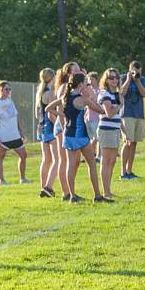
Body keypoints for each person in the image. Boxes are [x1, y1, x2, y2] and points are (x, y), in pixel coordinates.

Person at [46, 73, 112, 203]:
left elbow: (48, 108)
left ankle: (72, 196)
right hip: (80, 136)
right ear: (80, 84)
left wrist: (63, 115)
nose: (87, 85)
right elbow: (101, 111)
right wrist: (92, 98)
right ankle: (97, 196)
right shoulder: (83, 99)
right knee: (92, 164)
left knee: (70, 165)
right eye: (85, 83)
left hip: (68, 135)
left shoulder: (65, 97)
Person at [52, 62, 82, 200]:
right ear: (68, 73)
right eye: (76, 70)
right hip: (64, 127)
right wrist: (65, 128)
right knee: (64, 161)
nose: (79, 71)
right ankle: (66, 193)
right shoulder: (64, 87)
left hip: (73, 127)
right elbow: (60, 110)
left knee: (75, 161)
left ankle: (71, 190)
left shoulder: (77, 86)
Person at [0, 80, 30, 185]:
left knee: (23, 155)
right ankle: (2, 180)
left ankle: (23, 178)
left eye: (9, 89)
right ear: (0, 90)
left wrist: (21, 131)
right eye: (6, 89)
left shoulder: (10, 101)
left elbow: (16, 117)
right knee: (1, 156)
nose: (8, 91)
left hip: (15, 135)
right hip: (4, 136)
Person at [96, 68, 124, 199]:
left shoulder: (117, 94)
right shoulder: (104, 94)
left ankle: (108, 190)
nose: (115, 80)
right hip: (106, 130)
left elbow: (117, 117)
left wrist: (124, 132)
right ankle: (105, 192)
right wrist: (119, 105)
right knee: (106, 161)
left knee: (112, 161)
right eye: (112, 77)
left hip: (115, 130)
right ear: (106, 80)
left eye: (116, 77)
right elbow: (110, 113)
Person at [120, 61, 145, 179]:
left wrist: (137, 81)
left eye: (139, 70)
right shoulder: (122, 77)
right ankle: (123, 173)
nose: (137, 72)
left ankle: (129, 170)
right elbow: (121, 92)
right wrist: (128, 79)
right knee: (127, 141)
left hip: (139, 114)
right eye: (134, 70)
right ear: (129, 69)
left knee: (134, 142)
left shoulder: (142, 80)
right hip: (127, 114)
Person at [35, 68, 58, 197]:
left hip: (41, 127)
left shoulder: (39, 93)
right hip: (50, 127)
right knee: (57, 160)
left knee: (46, 160)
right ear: (52, 77)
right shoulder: (51, 93)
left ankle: (43, 187)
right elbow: (50, 113)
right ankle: (48, 187)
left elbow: (36, 114)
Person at [85, 71, 101, 163]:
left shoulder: (100, 90)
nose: (90, 81)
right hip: (90, 117)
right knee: (94, 138)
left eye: (91, 79)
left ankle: (98, 156)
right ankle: (90, 155)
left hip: (98, 117)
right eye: (88, 79)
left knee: (98, 138)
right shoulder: (87, 90)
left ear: (95, 80)